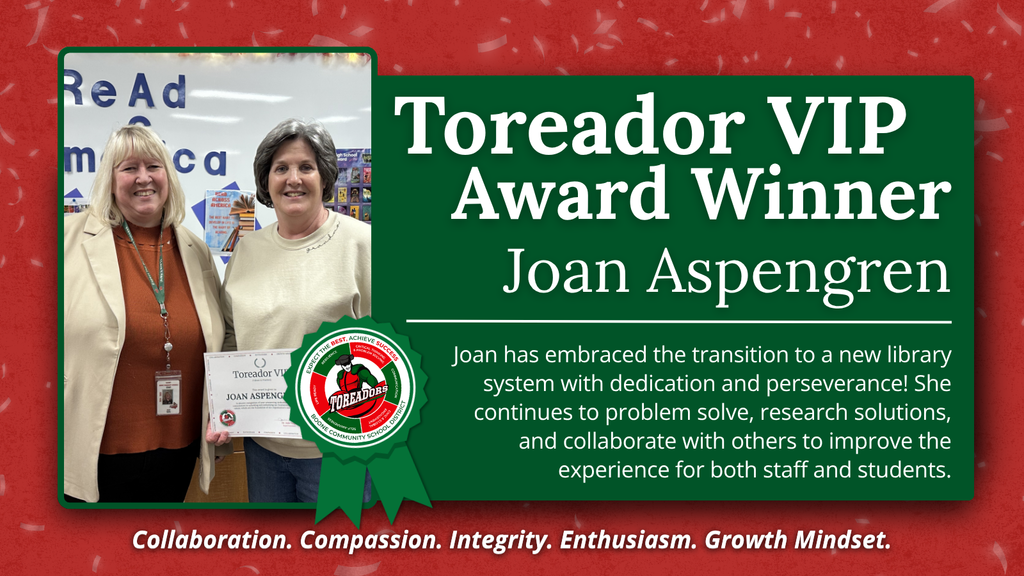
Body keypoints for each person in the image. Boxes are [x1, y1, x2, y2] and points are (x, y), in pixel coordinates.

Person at [63, 124, 231, 503]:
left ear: (168, 177)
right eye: (128, 168)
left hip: (178, 447)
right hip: (95, 449)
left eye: (153, 166)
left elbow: (219, 340)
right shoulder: (65, 240)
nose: (143, 178)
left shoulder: (194, 249)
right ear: (110, 179)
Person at [221, 119, 371, 503]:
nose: (293, 179)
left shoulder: (362, 244)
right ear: (265, 180)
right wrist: (221, 405)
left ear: (325, 177)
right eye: (281, 168)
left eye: (306, 167)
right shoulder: (247, 250)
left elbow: (394, 346)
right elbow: (231, 334)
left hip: (339, 453)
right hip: (263, 447)